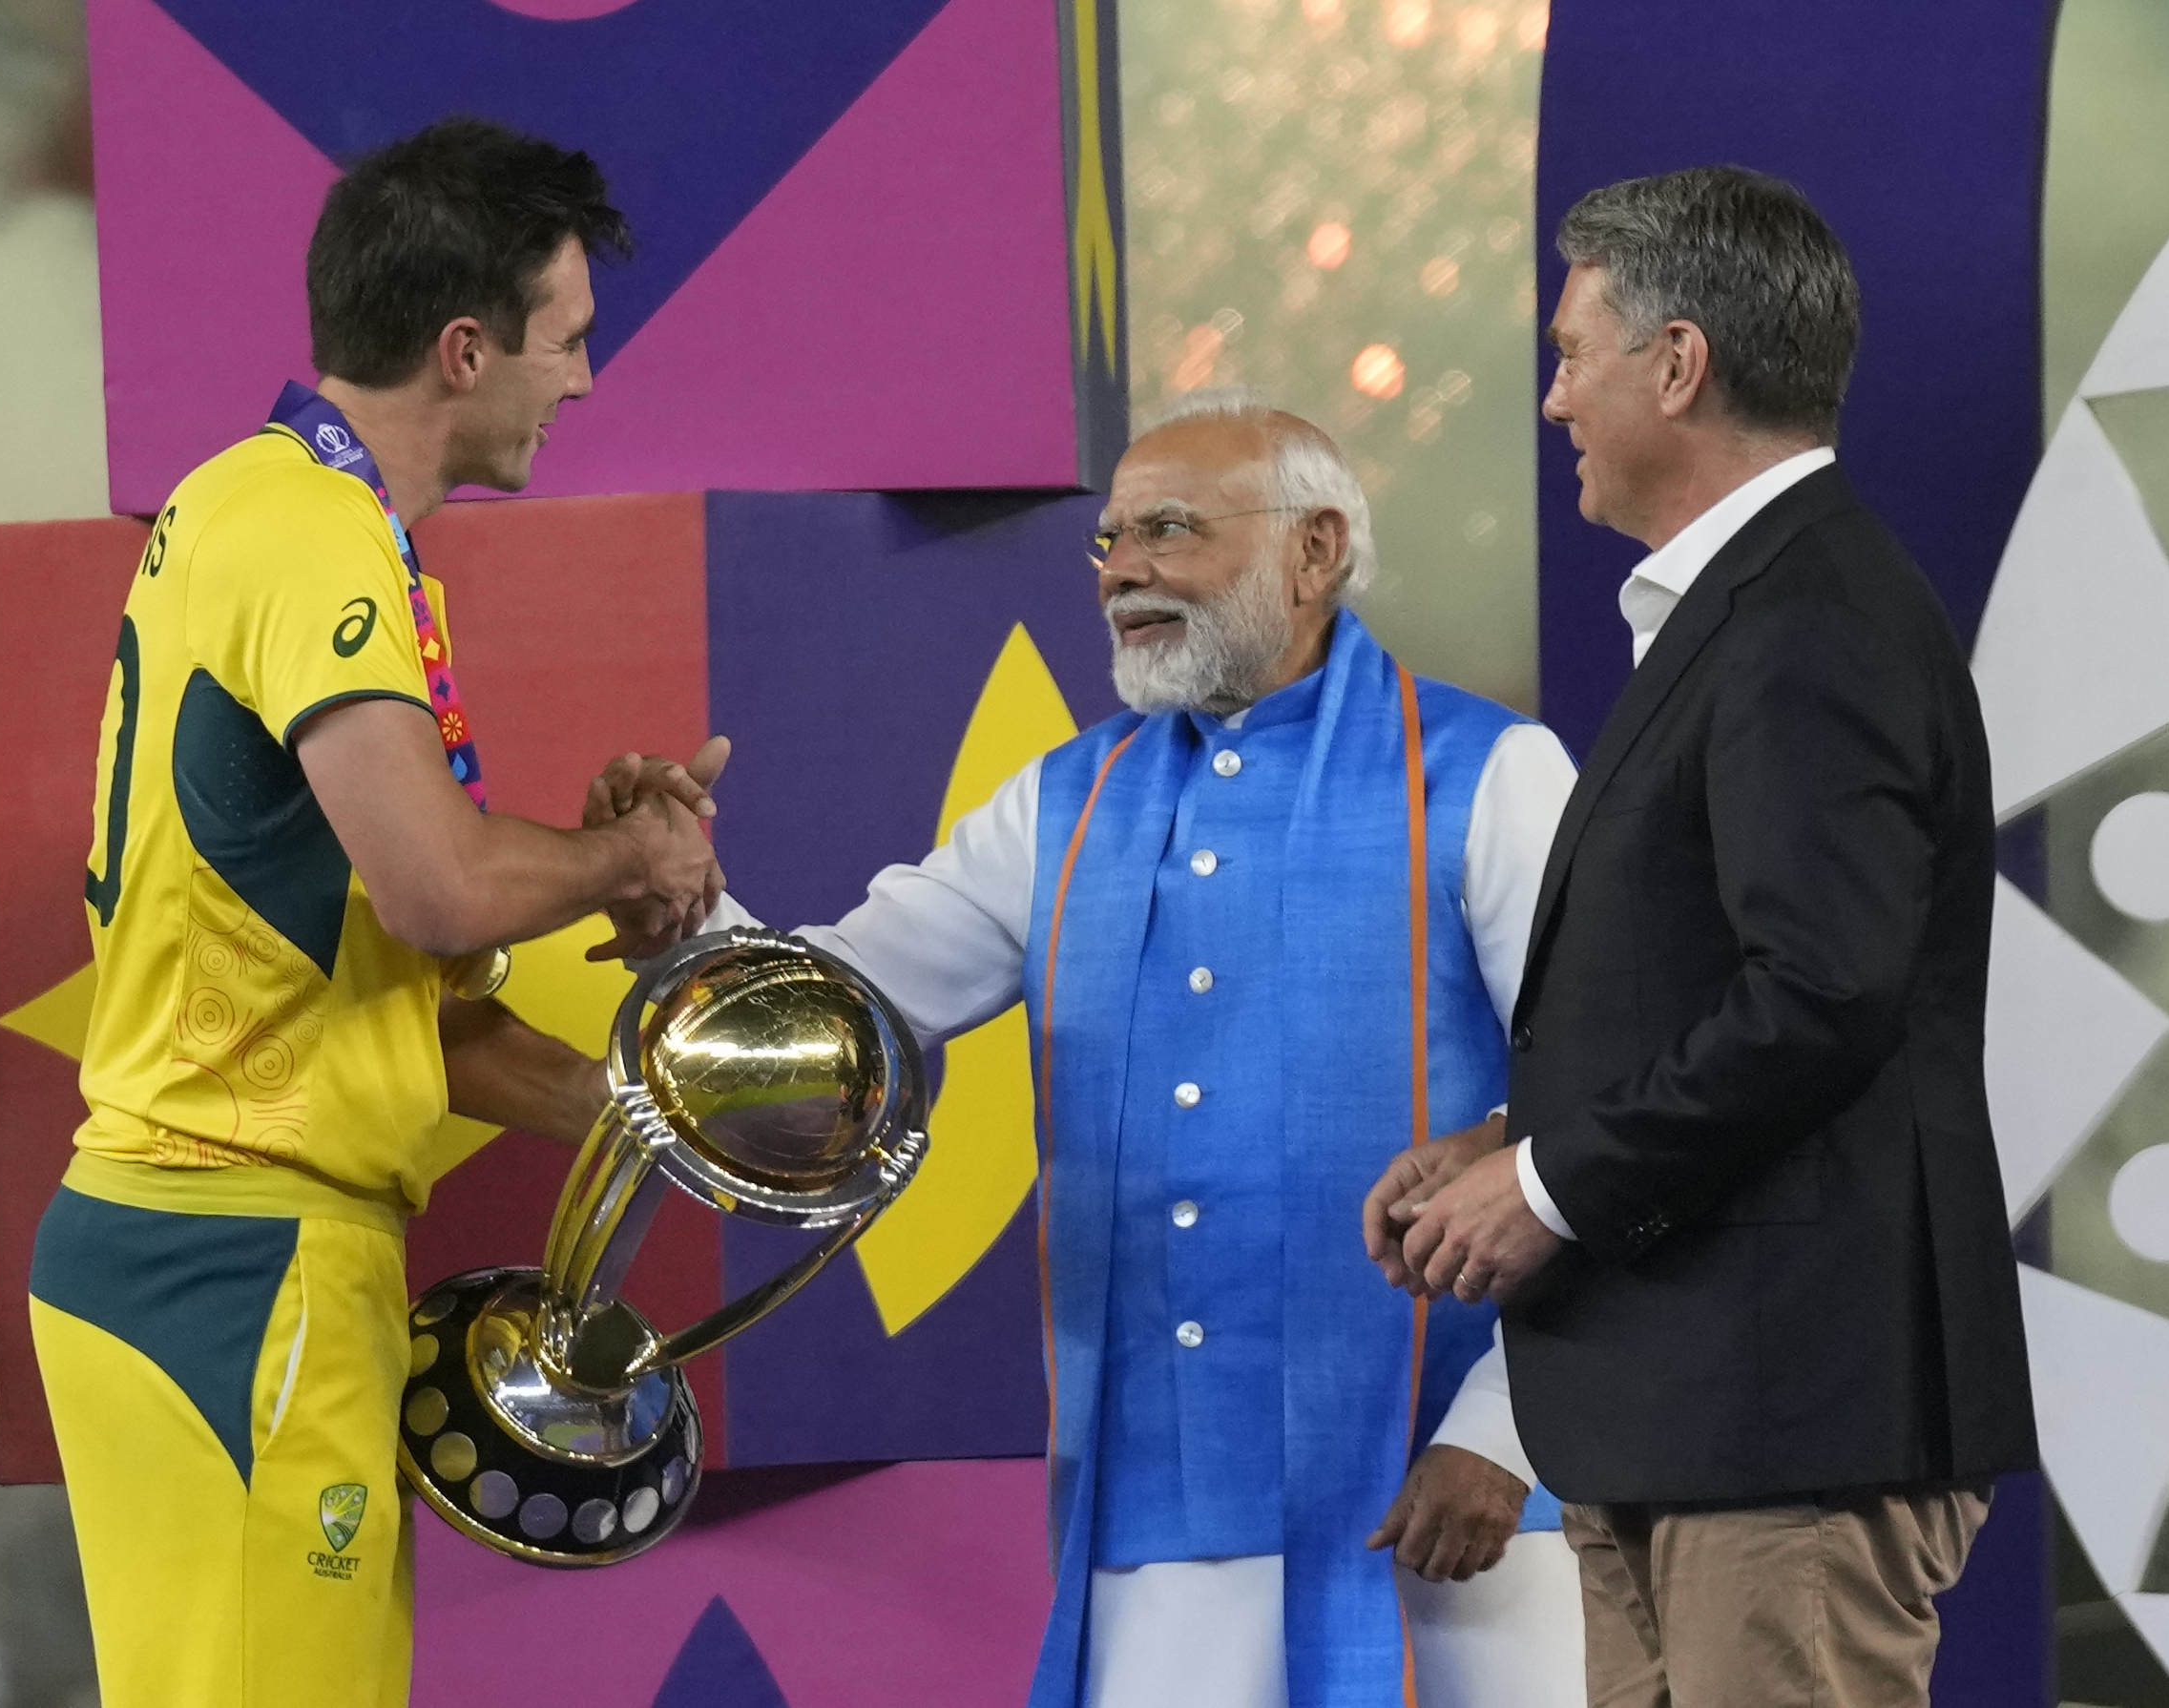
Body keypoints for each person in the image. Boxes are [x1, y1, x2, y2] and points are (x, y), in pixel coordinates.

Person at [599, 388, 1585, 1708]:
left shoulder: (1492, 772)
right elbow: (843, 1005)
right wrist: (684, 916)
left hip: (1451, 1506)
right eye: (1110, 540)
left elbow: (1604, 1108)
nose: (1121, 571)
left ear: (1315, 550)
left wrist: (1501, 1436)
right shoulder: (1066, 798)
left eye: (1169, 531)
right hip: (1159, 1524)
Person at [27, 118, 726, 1708]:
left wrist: (660, 1123)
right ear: (465, 348)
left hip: (231, 1241)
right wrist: (631, 863)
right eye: (569, 343)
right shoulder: (309, 533)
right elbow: (446, 886)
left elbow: (395, 991)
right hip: (232, 1257)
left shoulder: (274, 513)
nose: (585, 382)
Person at [1365, 167, 2038, 1708]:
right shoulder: (1754, 603)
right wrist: (1503, 1140)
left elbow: (1823, 990)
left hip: (1783, 1416)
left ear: (1677, 365)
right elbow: (1726, 991)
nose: (1551, 400)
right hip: (1694, 1412)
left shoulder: (1809, 617)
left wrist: (1548, 1183)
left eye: (1569, 352)